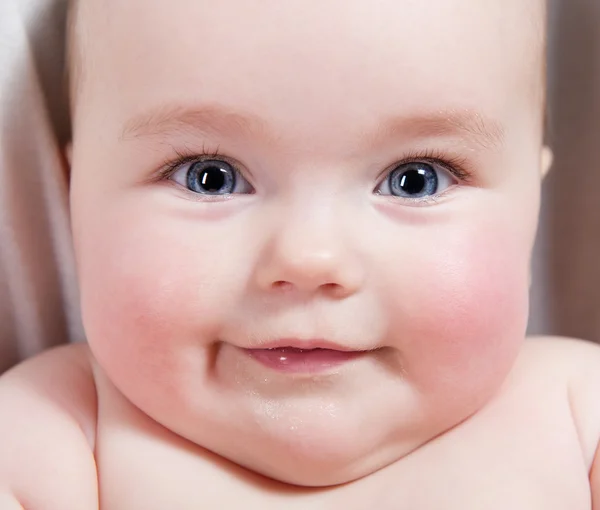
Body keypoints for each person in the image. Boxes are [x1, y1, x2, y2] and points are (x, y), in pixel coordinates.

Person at [1, 0, 597, 507]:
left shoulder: (575, 413)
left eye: (417, 179)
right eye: (210, 176)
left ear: (533, 205)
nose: (309, 260)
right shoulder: (56, 432)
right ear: (72, 192)